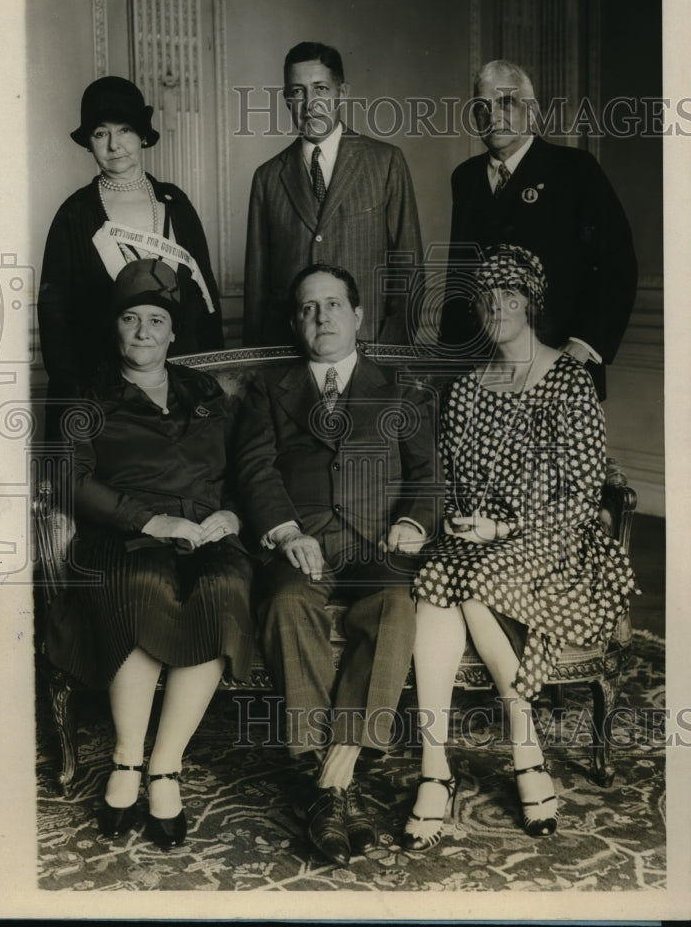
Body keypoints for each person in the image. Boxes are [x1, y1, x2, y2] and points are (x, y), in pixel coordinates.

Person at [405, 245, 639, 851]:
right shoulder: (464, 391)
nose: (498, 307)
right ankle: (439, 768)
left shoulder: (569, 380)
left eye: (511, 296)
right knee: (438, 579)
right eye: (488, 297)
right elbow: (453, 481)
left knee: (465, 583)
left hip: (558, 541)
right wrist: (467, 521)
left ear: (531, 304)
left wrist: (504, 531)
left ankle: (516, 748)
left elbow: (584, 490)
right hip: (479, 543)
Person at [46, 258, 254, 850]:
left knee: (226, 589)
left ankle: (165, 764)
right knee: (142, 583)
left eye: (156, 320)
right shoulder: (87, 395)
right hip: (125, 533)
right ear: (115, 328)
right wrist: (149, 519)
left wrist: (233, 514)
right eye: (131, 319)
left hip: (207, 534)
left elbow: (246, 467)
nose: (143, 332)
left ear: (172, 329)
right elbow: (69, 479)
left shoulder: (206, 391)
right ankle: (126, 758)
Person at [235, 264, 438, 867]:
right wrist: (286, 529)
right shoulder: (268, 388)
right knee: (285, 601)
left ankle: (332, 777)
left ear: (357, 316)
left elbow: (428, 475)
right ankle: (336, 784)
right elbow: (253, 468)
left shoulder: (401, 387)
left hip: (378, 546)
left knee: (395, 609)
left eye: (332, 304)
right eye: (307, 308)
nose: (321, 317)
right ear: (297, 322)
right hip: (302, 544)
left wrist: (413, 523)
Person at [440, 59, 637, 399]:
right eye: (482, 107)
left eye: (506, 102)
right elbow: (460, 273)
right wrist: (448, 364)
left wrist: (584, 343)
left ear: (530, 111)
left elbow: (617, 264)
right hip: (482, 370)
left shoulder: (574, 169)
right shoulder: (466, 177)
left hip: (558, 364)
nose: (494, 116)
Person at [38, 75, 223, 438]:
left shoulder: (176, 203)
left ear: (142, 135)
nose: (114, 145)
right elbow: (55, 321)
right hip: (107, 396)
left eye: (124, 130)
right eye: (100, 133)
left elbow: (207, 297)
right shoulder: (75, 214)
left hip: (182, 382)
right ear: (89, 143)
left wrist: (212, 376)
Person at [243, 41, 423, 348]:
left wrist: (391, 351)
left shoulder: (385, 161)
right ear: (287, 99)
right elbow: (257, 289)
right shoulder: (268, 177)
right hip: (290, 353)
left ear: (343, 92)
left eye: (320, 89)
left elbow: (409, 266)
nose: (310, 103)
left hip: (370, 348)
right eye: (297, 91)